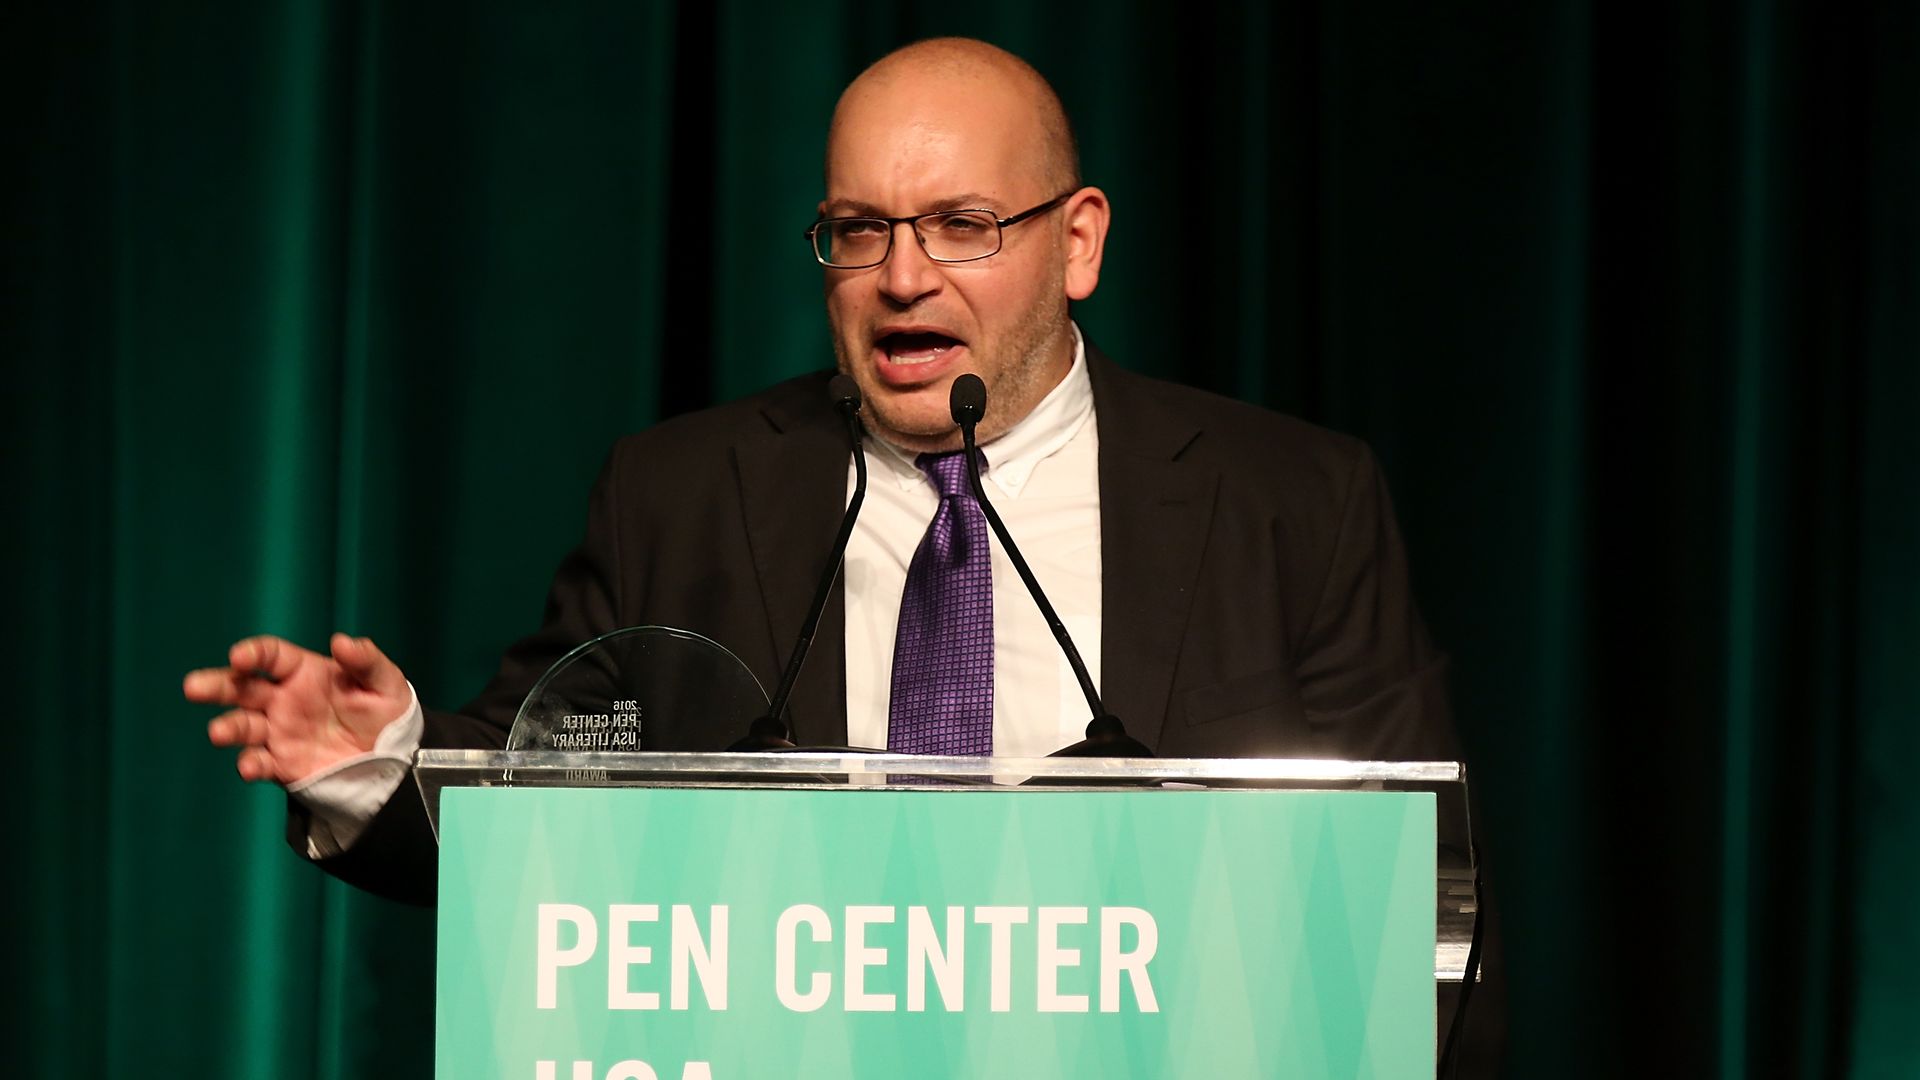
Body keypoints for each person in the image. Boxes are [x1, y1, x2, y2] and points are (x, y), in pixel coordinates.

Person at [187, 33, 1457, 917]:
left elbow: (1420, 915)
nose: (904, 277)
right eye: (860, 233)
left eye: (963, 225)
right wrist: (387, 761)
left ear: (1077, 243)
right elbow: (547, 802)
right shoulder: (675, 497)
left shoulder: (1294, 502)